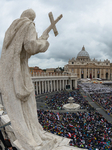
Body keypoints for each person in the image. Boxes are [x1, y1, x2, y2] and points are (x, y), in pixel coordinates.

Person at [0, 9, 69, 150]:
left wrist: (41, 37)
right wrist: (43, 41)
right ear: (32, 18)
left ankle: (28, 134)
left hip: (10, 74)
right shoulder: (28, 25)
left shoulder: (11, 30)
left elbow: (21, 51)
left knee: (21, 109)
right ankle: (32, 135)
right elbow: (30, 46)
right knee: (30, 106)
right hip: (21, 73)